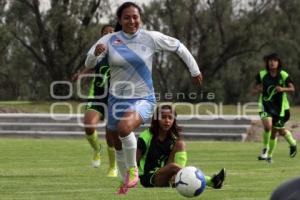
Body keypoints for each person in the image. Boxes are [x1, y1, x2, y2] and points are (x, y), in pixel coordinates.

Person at [85, 2, 202, 194]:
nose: (132, 21)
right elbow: (89, 62)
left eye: (135, 17)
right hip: (115, 99)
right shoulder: (109, 40)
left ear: (140, 18)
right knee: (116, 141)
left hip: (143, 98)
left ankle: (133, 171)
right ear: (120, 20)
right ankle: (126, 182)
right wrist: (95, 55)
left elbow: (178, 47)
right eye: (127, 17)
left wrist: (194, 69)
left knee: (124, 128)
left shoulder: (150, 38)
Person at [137, 104, 226, 189]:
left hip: (167, 173)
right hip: (149, 178)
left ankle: (176, 179)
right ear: (156, 119)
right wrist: (129, 179)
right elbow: (134, 161)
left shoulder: (174, 138)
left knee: (181, 144)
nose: (167, 120)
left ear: (174, 120)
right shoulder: (146, 136)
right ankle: (210, 181)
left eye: (170, 118)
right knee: (173, 167)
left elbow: (171, 163)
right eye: (163, 117)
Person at [72, 24, 118, 177]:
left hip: (115, 98)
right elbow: (89, 66)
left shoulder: (122, 53)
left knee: (111, 134)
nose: (109, 34)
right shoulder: (97, 54)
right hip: (97, 96)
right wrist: (81, 75)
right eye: (106, 32)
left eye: (112, 32)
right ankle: (97, 149)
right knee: (89, 125)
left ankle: (112, 167)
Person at [252, 53, 297, 163]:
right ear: (267, 62)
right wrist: (258, 90)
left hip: (280, 108)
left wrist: (282, 89)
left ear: (278, 62)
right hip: (264, 105)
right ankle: (265, 150)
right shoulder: (262, 74)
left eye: (275, 60)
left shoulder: (283, 75)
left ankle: (291, 144)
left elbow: (292, 89)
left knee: (278, 131)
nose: (272, 62)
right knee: (268, 127)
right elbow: (254, 90)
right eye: (270, 60)